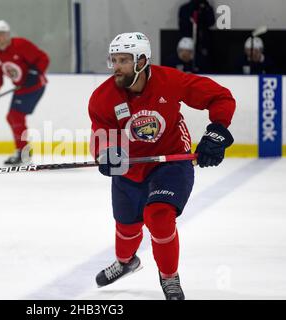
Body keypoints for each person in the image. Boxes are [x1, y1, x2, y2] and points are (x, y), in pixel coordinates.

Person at [88, 32, 236, 300]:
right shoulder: (103, 97)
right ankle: (126, 262)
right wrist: (105, 152)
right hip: (131, 166)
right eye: (114, 60)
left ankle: (169, 277)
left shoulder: (170, 80)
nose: (116, 67)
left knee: (158, 216)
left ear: (142, 61)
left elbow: (220, 97)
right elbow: (101, 131)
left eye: (124, 60)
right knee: (127, 226)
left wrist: (216, 132)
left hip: (171, 162)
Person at [0, 20, 50, 165]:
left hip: (35, 86)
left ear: (8, 34)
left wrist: (35, 72)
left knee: (15, 116)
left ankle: (23, 153)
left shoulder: (20, 45)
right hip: (20, 88)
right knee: (11, 117)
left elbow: (43, 58)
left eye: (2, 34)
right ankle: (23, 151)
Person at [178, 0, 215, 73]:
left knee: (202, 62)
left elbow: (211, 22)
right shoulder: (185, 8)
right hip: (189, 39)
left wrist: (205, 10)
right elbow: (182, 25)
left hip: (202, 43)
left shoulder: (207, 8)